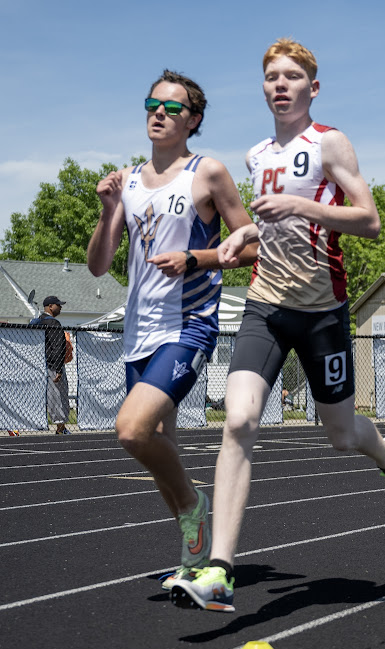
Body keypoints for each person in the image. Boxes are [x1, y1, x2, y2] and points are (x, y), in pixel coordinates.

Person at [170, 38, 385, 613]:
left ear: (313, 87)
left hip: (321, 311)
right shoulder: (257, 154)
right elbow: (268, 226)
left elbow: (370, 221)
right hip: (264, 305)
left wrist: (303, 207)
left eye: (291, 77)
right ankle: (220, 570)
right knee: (238, 421)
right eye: (271, 77)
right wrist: (241, 236)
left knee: (340, 435)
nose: (279, 85)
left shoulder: (330, 142)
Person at [87, 69, 257, 591]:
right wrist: (106, 208)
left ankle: (193, 503)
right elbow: (98, 265)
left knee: (132, 430)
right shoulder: (129, 179)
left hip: (187, 327)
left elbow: (250, 247)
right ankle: (193, 558)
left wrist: (195, 258)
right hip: (138, 330)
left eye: (171, 108)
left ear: (194, 120)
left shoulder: (208, 174)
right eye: (151, 105)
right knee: (161, 444)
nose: (158, 113)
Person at [31, 296, 70, 434]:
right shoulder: (54, 323)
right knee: (59, 395)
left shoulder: (36, 323)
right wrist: (59, 368)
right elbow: (58, 347)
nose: (61, 307)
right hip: (53, 365)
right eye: (58, 305)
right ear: (51, 306)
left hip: (37, 365)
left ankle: (61, 427)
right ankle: (60, 428)